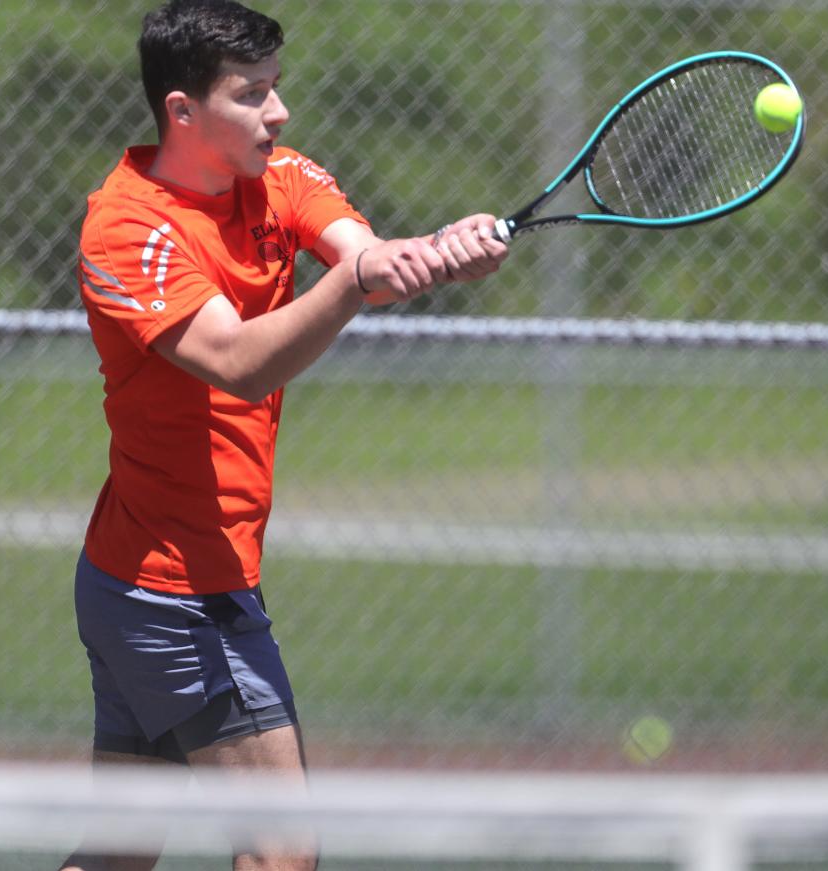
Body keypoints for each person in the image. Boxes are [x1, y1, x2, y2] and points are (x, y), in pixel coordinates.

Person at [60, 1, 506, 869]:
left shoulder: (281, 175)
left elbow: (361, 252)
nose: (279, 112)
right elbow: (236, 360)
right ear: (183, 113)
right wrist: (354, 284)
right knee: (282, 853)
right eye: (253, 94)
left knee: (119, 853)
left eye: (277, 88)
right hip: (173, 595)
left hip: (153, 580)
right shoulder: (127, 229)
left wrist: (432, 254)